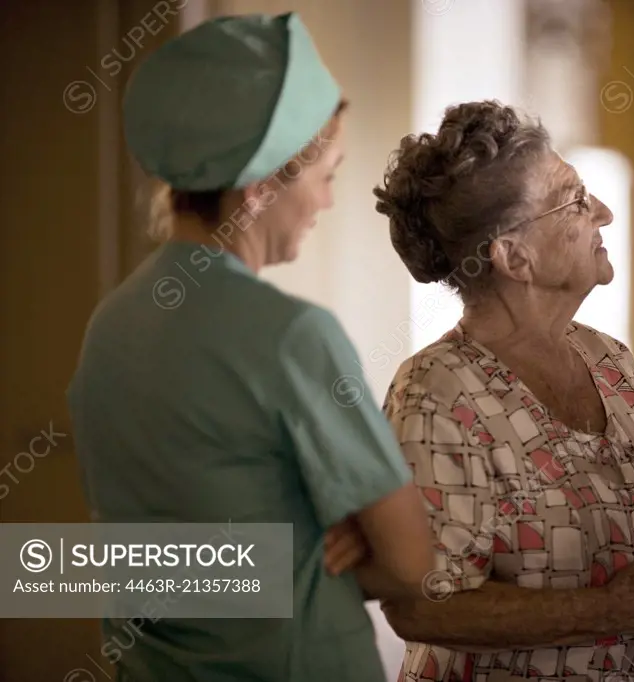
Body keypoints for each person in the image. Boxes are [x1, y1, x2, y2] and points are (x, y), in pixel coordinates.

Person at [361, 100, 634, 681]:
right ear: (513, 256)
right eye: (573, 201)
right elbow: (421, 604)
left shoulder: (608, 360)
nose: (603, 212)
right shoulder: (436, 394)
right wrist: (611, 610)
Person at [67, 12, 434, 682]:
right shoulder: (294, 336)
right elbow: (410, 561)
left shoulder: (107, 329)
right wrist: (351, 542)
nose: (327, 200)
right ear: (261, 185)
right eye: (325, 173)